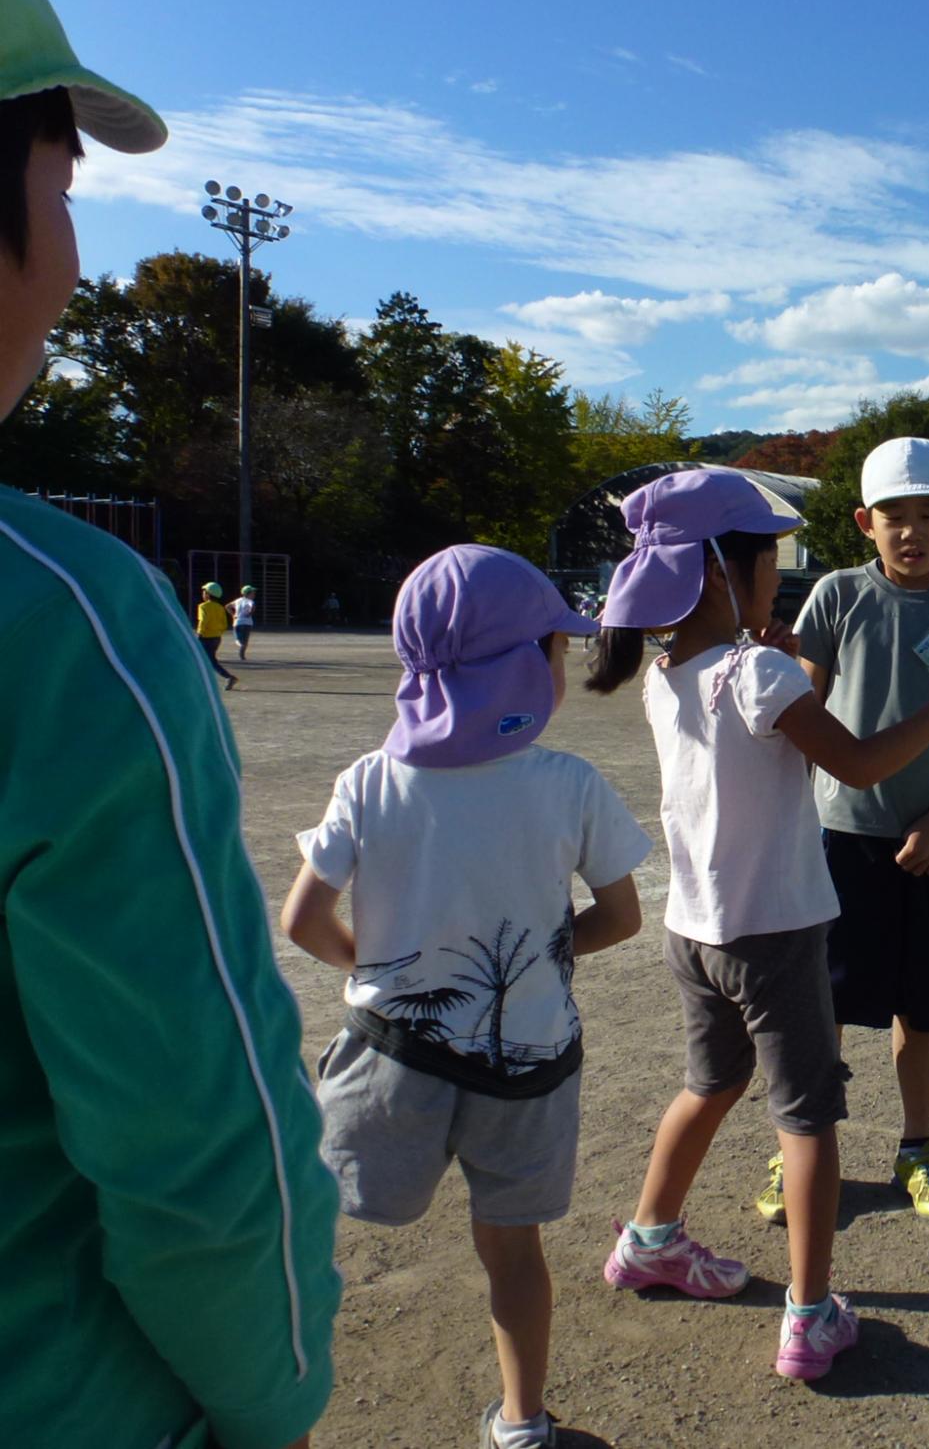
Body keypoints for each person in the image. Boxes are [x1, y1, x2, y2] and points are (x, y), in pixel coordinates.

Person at [0, 0, 342, 1445]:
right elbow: (203, 1153)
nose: (71, 254)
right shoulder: (57, 625)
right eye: (63, 182)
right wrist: (272, 1404)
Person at [584, 467, 929, 1381]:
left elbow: (751, 720)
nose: (783, 579)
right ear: (725, 571)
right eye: (770, 561)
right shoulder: (759, 669)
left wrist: (764, 653)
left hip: (694, 931)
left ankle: (651, 1238)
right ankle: (810, 1317)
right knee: (807, 1121)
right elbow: (856, 764)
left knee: (710, 1083)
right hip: (772, 934)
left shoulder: (670, 668)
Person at [281, 544, 651, 1449]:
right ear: (525, 670)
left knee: (312, 1236)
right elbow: (621, 917)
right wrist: (544, 959)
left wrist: (375, 971)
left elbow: (300, 921)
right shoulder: (568, 785)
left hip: (389, 1054)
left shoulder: (371, 780)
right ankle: (522, 1423)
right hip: (526, 1061)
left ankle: (267, 1407)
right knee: (512, 1250)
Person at [776, 437, 929, 1229]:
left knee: (920, 1008)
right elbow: (804, 716)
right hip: (836, 839)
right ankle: (802, 1145)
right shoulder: (836, 597)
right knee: (822, 1006)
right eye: (893, 516)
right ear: (863, 522)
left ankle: (917, 1146)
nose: (911, 531)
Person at [196, 579, 238, 689]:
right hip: (216, 638)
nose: (203, 594)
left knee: (206, 660)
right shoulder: (220, 608)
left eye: (204, 591)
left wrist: (199, 633)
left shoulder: (203, 606)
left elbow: (203, 621)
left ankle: (228, 677)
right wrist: (218, 632)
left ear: (208, 594)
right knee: (208, 659)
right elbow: (224, 624)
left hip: (205, 638)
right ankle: (204, 680)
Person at [230, 582, 257, 659]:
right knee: (245, 641)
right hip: (248, 623)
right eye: (252, 593)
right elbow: (253, 605)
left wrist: (233, 615)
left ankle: (241, 648)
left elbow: (227, 606)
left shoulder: (237, 600)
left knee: (238, 639)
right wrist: (250, 613)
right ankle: (242, 655)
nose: (254, 595)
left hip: (238, 622)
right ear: (246, 594)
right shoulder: (249, 600)